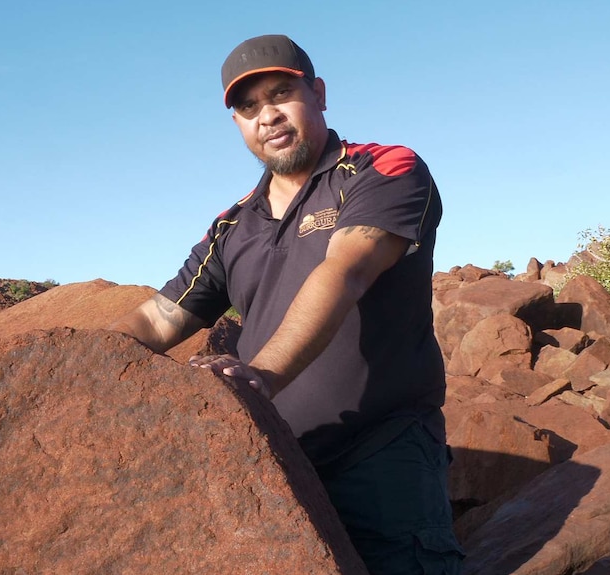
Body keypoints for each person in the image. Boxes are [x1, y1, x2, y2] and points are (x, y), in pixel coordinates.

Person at [112, 34, 464, 574]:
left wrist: (262, 375)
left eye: (281, 94)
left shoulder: (383, 168)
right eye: (248, 107)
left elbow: (346, 270)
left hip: (383, 450)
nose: (267, 116)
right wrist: (83, 363)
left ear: (319, 94)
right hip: (278, 460)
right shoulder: (233, 224)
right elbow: (161, 317)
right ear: (236, 123)